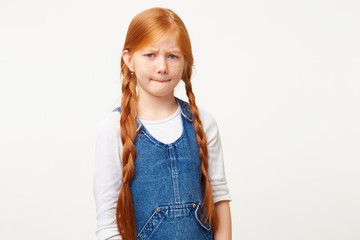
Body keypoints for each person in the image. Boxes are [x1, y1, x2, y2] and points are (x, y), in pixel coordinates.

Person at [93, 7, 232, 240]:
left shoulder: (204, 124)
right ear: (129, 60)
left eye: (173, 56)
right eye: (150, 55)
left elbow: (219, 199)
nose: (162, 67)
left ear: (186, 61)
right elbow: (107, 224)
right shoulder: (113, 129)